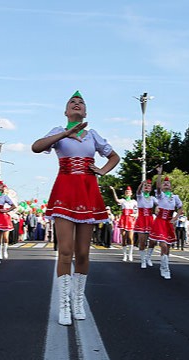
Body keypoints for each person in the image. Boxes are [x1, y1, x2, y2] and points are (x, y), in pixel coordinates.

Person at [32, 90, 120, 326]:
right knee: (66, 251)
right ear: (66, 111)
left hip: (88, 191)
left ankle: (78, 300)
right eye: (73, 102)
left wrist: (102, 171)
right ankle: (63, 304)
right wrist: (65, 133)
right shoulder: (58, 132)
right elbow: (36, 147)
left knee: (83, 252)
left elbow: (114, 157)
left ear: (86, 112)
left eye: (81, 103)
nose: (77, 104)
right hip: (65, 190)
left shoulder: (93, 135)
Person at [149, 166, 183, 279]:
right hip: (159, 222)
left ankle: (163, 266)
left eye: (168, 183)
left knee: (167, 247)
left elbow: (180, 208)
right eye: (164, 183)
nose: (166, 184)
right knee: (163, 245)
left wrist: (176, 217)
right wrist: (159, 174)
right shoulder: (160, 195)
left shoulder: (175, 197)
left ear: (171, 186)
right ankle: (165, 268)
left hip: (168, 223)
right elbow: (158, 186)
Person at [133, 179, 157, 268]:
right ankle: (143, 261)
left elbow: (161, 204)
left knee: (153, 241)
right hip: (142, 220)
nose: (147, 187)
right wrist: (141, 184)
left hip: (150, 220)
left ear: (151, 188)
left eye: (149, 186)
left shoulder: (152, 198)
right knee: (142, 242)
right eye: (145, 186)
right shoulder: (140, 196)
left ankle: (148, 257)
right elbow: (138, 191)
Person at [110, 185, 137, 262]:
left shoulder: (134, 202)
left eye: (129, 192)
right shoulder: (123, 201)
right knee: (124, 237)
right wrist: (113, 190)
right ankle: (125, 255)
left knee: (130, 238)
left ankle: (130, 254)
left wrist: (135, 215)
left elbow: (138, 210)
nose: (128, 193)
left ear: (131, 193)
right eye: (126, 192)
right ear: (125, 193)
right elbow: (116, 200)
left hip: (130, 219)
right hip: (123, 219)